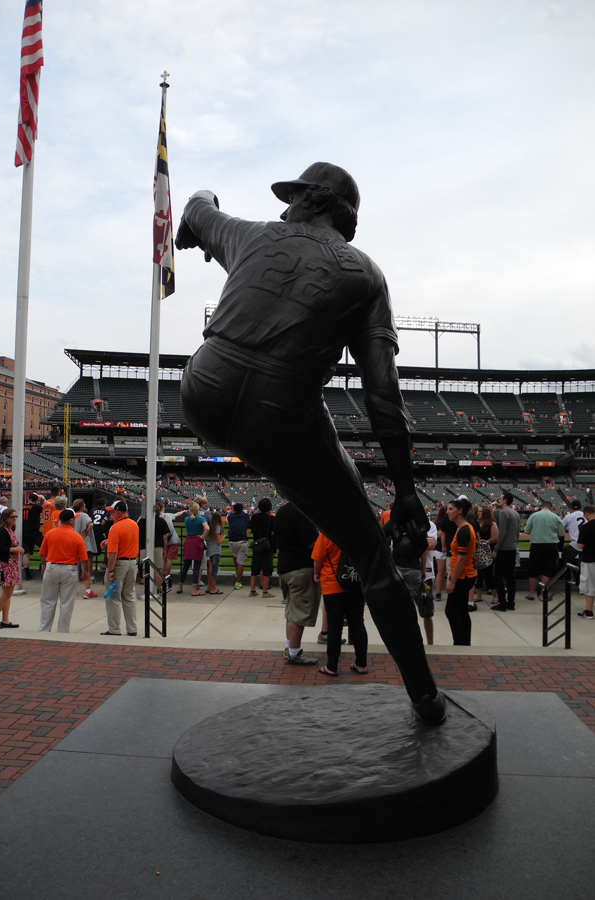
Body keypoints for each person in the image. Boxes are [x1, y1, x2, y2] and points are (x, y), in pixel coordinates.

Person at [175, 161, 443, 720]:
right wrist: (405, 490)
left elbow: (198, 202)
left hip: (203, 388)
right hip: (279, 411)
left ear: (313, 201)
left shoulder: (250, 233)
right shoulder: (365, 274)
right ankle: (425, 698)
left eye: (293, 197)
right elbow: (383, 398)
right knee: (372, 552)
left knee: (285, 461)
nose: (284, 207)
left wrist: (192, 231)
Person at [312, 532, 368, 676]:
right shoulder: (360, 534)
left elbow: (318, 558)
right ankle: (361, 663)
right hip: (356, 583)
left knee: (335, 627)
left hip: (333, 585)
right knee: (358, 623)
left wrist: (316, 574)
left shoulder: (327, 534)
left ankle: (332, 666)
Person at [274, 501, 319, 666]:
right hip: (300, 569)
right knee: (299, 614)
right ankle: (294, 652)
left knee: (292, 612)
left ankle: (290, 648)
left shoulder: (282, 511)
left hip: (285, 567)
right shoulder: (301, 511)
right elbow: (313, 543)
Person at [384, 519, 436, 646]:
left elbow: (431, 544)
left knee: (426, 612)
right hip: (411, 570)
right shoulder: (400, 526)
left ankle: (429, 644)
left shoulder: (427, 524)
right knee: (404, 610)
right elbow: (393, 549)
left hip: (425, 574)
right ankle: (408, 641)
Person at [38, 507, 89, 633]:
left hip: (52, 567)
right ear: (71, 521)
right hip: (69, 569)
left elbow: (42, 553)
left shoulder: (50, 533)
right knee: (67, 603)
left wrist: (43, 566)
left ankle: (44, 630)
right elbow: (84, 558)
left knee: (48, 601)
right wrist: (85, 572)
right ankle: (63, 631)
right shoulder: (76, 537)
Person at [101, 500, 140, 636]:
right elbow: (127, 540)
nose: (110, 514)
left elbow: (113, 553)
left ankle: (114, 629)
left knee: (113, 597)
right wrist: (109, 541)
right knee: (129, 596)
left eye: (112, 512)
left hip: (119, 564)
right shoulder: (134, 524)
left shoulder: (115, 527)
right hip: (132, 563)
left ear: (118, 513)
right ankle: (132, 628)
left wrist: (110, 570)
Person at [444, 498, 477, 646]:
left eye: (451, 509)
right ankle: (465, 643)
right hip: (464, 575)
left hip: (463, 576)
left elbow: (461, 559)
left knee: (451, 611)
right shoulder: (463, 528)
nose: (447, 512)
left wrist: (452, 581)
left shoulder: (464, 530)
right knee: (462, 611)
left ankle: (459, 644)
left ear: (460, 510)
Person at [521, 500, 565, 601]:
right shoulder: (555, 517)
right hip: (551, 545)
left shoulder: (534, 516)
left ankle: (531, 594)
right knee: (547, 570)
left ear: (542, 507)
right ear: (551, 508)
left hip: (536, 545)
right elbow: (561, 533)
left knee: (533, 570)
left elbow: (527, 531)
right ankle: (542, 594)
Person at [0, 507, 24, 628]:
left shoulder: (10, 530)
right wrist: (15, 549)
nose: (14, 519)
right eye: (12, 517)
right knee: (6, 594)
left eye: (15, 516)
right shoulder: (2, 531)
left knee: (8, 593)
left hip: (12, 565)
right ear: (5, 519)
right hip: (6, 565)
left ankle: (5, 619)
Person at [491, 491, 520, 611]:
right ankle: (511, 602)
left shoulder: (503, 513)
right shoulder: (515, 513)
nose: (499, 500)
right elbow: (518, 532)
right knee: (511, 577)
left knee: (498, 576)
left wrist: (496, 549)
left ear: (505, 500)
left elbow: (501, 533)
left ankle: (502, 603)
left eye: (501, 498)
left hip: (503, 549)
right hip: (512, 548)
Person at [176, 501, 209, 596]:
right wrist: (202, 537)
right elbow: (207, 528)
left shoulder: (186, 519)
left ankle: (180, 586)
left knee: (186, 565)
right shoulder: (201, 519)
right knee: (197, 566)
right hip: (197, 542)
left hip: (188, 541)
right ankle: (194, 589)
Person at [249, 498, 276, 598]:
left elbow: (250, 530)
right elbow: (274, 530)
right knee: (266, 568)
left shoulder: (254, 517)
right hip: (267, 545)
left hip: (256, 544)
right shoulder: (271, 518)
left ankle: (252, 590)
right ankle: (265, 591)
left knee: (255, 567)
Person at [72, 498, 98, 598]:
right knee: (85, 569)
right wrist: (86, 532)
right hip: (84, 544)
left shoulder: (73, 515)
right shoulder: (84, 515)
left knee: (73, 568)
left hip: (73, 543)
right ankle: (87, 591)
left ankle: (73, 590)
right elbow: (91, 524)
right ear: (82, 507)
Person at [473, 506, 498, 605]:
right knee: (477, 574)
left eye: (480, 511)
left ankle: (494, 596)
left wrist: (484, 542)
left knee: (489, 574)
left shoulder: (491, 524)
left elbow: (495, 538)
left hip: (487, 550)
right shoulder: (476, 523)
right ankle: (478, 596)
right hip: (477, 551)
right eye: (478, 511)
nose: (478, 513)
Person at [577, 505, 595, 619]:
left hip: (589, 559)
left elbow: (580, 545)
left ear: (586, 514)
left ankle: (589, 611)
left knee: (589, 585)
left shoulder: (585, 527)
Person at [227, 502, 250, 590]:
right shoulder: (246, 516)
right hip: (242, 540)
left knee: (235, 556)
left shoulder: (230, 517)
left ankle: (237, 573)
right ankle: (238, 582)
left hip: (232, 540)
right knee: (241, 562)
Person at [21, 492, 43, 581]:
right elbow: (44, 508)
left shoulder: (23, 507)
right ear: (36, 500)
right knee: (45, 549)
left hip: (25, 533)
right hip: (35, 533)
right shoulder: (37, 507)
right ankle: (42, 565)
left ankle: (27, 574)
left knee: (25, 554)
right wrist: (43, 499)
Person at [89, 498, 111, 574]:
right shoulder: (106, 510)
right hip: (101, 533)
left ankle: (90, 574)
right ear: (104, 504)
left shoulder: (92, 510)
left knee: (90, 555)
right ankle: (105, 567)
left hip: (93, 532)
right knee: (107, 550)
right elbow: (103, 522)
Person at [563, 500, 586, 571]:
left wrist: (568, 528)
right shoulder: (586, 515)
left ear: (571, 508)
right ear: (581, 507)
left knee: (565, 558)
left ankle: (571, 575)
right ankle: (580, 577)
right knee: (583, 564)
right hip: (586, 545)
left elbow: (561, 528)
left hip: (574, 544)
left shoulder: (569, 516)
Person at [205, 510, 224, 595]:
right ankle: (213, 588)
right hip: (215, 550)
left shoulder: (209, 527)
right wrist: (223, 537)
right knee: (214, 570)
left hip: (209, 550)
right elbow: (219, 541)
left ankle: (209, 587)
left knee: (211, 569)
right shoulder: (218, 528)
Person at [160, 505, 180, 582]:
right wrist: (183, 511)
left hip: (164, 540)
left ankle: (161, 576)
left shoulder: (156, 517)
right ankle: (167, 577)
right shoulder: (167, 515)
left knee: (165, 559)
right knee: (169, 559)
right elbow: (177, 514)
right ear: (162, 509)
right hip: (173, 539)